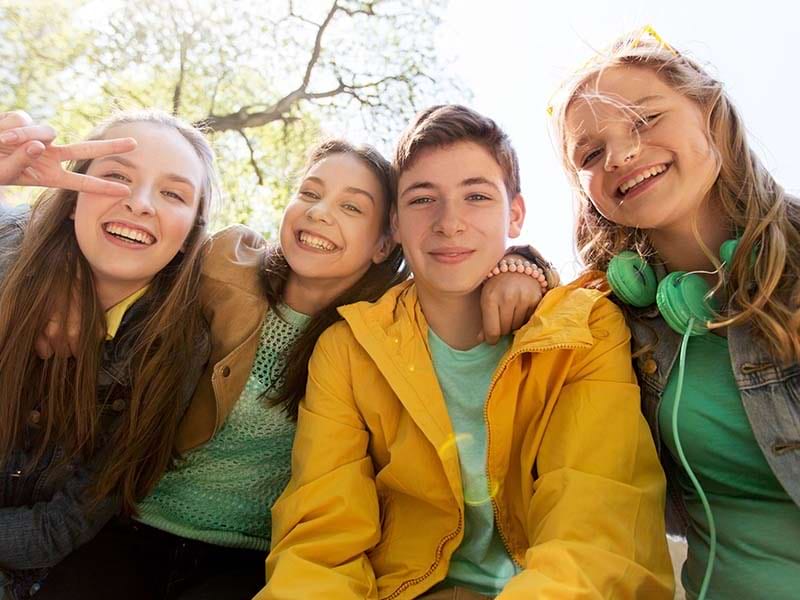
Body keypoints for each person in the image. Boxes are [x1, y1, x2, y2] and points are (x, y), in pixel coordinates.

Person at [36, 137, 548, 600]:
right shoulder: (223, 268)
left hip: (253, 560)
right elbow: (129, 251)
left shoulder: (378, 337)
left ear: (384, 243)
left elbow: (462, 270)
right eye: (310, 193)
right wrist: (66, 281)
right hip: (132, 526)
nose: (321, 213)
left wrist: (521, 262)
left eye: (352, 207)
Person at [261, 104, 673, 599]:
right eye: (422, 199)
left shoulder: (584, 329)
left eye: (476, 196)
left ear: (514, 214)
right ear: (394, 222)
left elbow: (594, 525)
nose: (449, 223)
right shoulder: (349, 349)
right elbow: (320, 540)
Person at [549, 27, 800, 600]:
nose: (620, 155)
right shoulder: (614, 316)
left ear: (710, 114)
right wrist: (514, 268)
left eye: (644, 120)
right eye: (590, 153)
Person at [0, 109, 215, 600]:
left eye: (173, 193)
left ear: (190, 236)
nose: (139, 203)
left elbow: (66, 522)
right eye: (117, 177)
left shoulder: (176, 347)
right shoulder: (6, 250)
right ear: (73, 199)